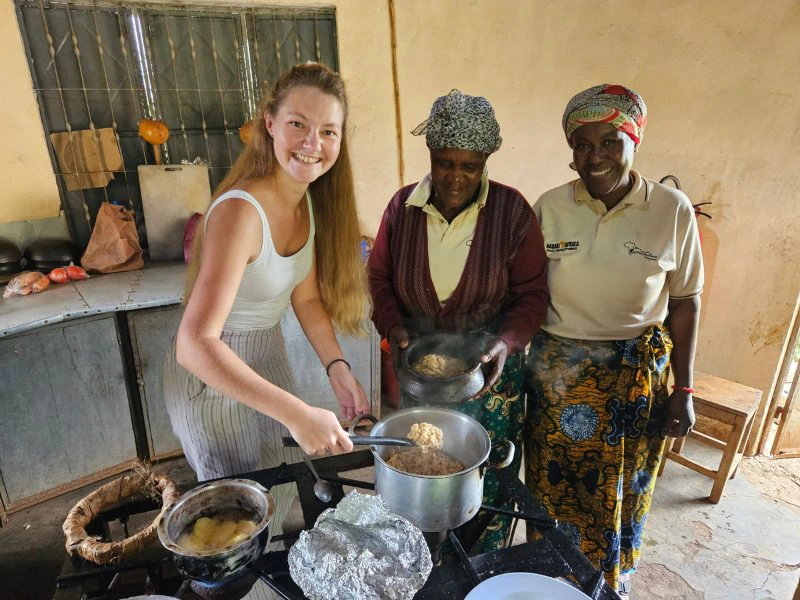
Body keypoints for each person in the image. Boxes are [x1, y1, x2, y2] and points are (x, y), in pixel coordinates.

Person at [162, 63, 370, 561]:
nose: (312, 143)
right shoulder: (241, 211)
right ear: (269, 123)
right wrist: (297, 412)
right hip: (214, 372)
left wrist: (338, 368)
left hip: (266, 358)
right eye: (298, 123)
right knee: (237, 521)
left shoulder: (309, 205)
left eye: (328, 131)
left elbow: (307, 299)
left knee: (278, 493)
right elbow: (194, 344)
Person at [524, 84, 703, 596]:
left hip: (634, 379)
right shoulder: (550, 207)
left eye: (610, 141)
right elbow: (530, 294)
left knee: (623, 491)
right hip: (558, 380)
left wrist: (684, 391)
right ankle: (546, 581)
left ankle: (611, 583)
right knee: (553, 486)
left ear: (634, 141)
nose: (595, 156)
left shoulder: (671, 210)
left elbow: (686, 301)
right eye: (582, 144)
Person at [368, 89, 549, 553]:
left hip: (489, 378)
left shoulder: (512, 214)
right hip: (420, 377)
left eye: (469, 166)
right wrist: (393, 326)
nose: (454, 177)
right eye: (445, 162)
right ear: (430, 154)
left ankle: (479, 568)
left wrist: (505, 343)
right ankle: (418, 565)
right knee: (418, 477)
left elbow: (532, 297)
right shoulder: (403, 208)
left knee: (483, 486)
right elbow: (380, 277)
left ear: (486, 161)